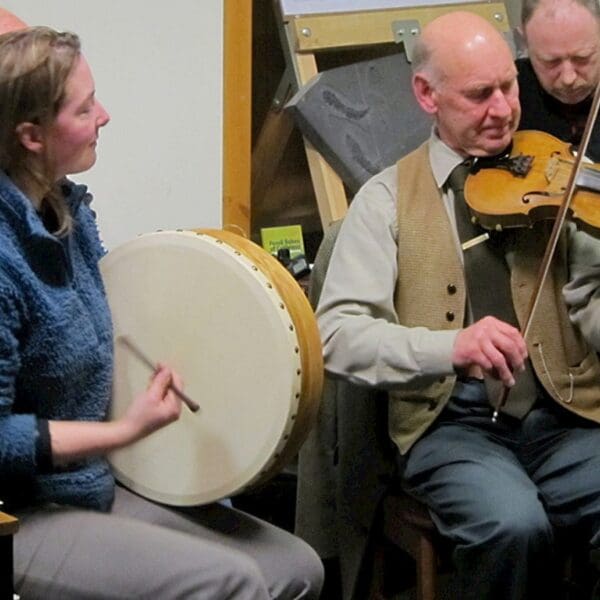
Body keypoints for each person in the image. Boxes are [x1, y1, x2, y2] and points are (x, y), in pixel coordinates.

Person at [0, 25, 324, 600]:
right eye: (85, 107)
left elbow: (113, 340)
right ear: (31, 135)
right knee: (235, 583)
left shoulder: (66, 212)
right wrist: (123, 431)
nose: (105, 115)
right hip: (23, 511)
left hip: (91, 485)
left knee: (295, 569)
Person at [316, 10, 600, 600]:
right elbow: (338, 335)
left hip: (565, 415)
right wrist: (451, 347)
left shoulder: (557, 176)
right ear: (427, 94)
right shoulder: (386, 200)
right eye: (478, 95)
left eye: (508, 86)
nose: (502, 109)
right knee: (513, 526)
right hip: (454, 427)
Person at [517, 0, 600, 160]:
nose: (568, 79)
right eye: (550, 62)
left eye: (582, 58)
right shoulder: (505, 93)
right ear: (525, 42)